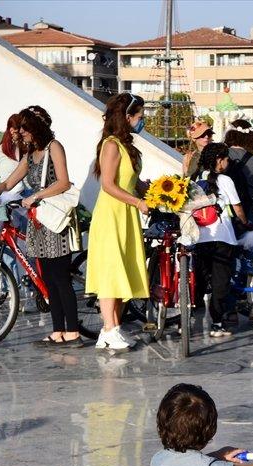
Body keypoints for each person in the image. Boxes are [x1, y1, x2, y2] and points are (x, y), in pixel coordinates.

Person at [0, 107, 81, 346]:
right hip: (39, 220)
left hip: (54, 219)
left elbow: (63, 182)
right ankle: (58, 330)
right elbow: (9, 183)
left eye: (25, 127)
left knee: (60, 276)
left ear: (37, 127)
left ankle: (73, 331)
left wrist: (37, 195)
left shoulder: (54, 147)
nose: (21, 132)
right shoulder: (30, 155)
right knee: (48, 278)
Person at [87, 93, 150, 352]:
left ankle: (109, 330)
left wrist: (159, 191)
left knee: (122, 267)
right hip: (112, 213)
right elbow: (109, 185)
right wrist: (137, 202)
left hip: (125, 213)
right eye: (139, 117)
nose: (142, 121)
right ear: (127, 117)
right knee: (110, 271)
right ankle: (111, 328)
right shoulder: (111, 145)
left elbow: (133, 183)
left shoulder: (126, 146)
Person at [191, 142, 248, 337]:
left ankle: (188, 322)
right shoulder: (225, 180)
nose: (227, 162)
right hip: (222, 238)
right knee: (220, 283)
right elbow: (237, 207)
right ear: (219, 160)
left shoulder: (195, 179)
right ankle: (217, 324)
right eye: (225, 158)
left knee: (198, 279)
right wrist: (245, 223)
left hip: (198, 238)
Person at [223, 119, 253, 229]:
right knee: (250, 244)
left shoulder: (221, 156)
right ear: (249, 137)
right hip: (249, 213)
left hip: (225, 212)